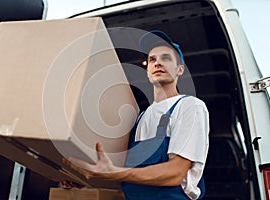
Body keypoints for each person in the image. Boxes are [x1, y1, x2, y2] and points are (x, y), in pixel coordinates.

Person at [62, 30, 209, 200]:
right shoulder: (140, 117)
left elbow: (175, 173)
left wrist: (114, 174)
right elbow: (121, 170)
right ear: (147, 70)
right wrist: (88, 178)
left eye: (166, 58)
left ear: (180, 70)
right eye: (152, 60)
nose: (158, 63)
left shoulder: (189, 106)